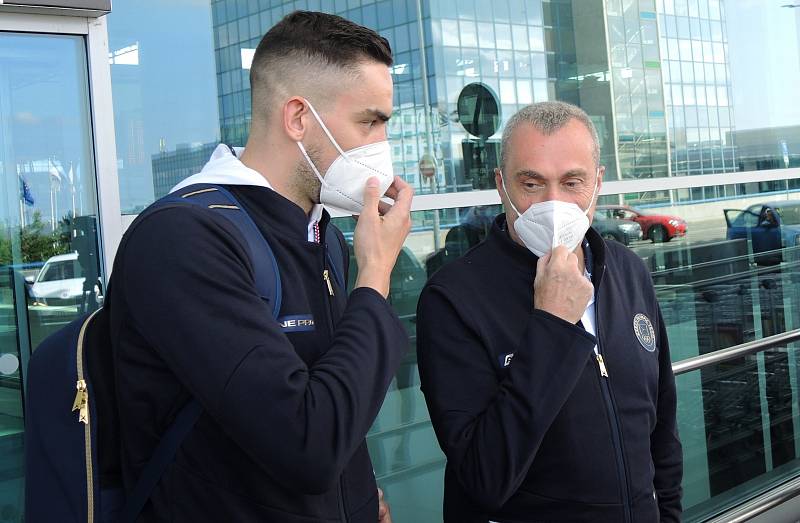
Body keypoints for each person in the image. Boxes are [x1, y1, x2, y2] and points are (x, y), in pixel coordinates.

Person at [107, 11, 412, 522]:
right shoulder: (184, 238)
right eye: (370, 121)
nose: (381, 144)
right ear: (298, 118)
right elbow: (308, 445)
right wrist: (374, 279)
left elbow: (341, 403)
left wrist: (358, 497)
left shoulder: (324, 236)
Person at [417, 101, 683, 522]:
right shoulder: (452, 298)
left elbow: (662, 426)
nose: (553, 203)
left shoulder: (628, 271)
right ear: (501, 186)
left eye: (572, 182)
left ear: (598, 183)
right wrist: (552, 325)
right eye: (532, 183)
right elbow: (483, 477)